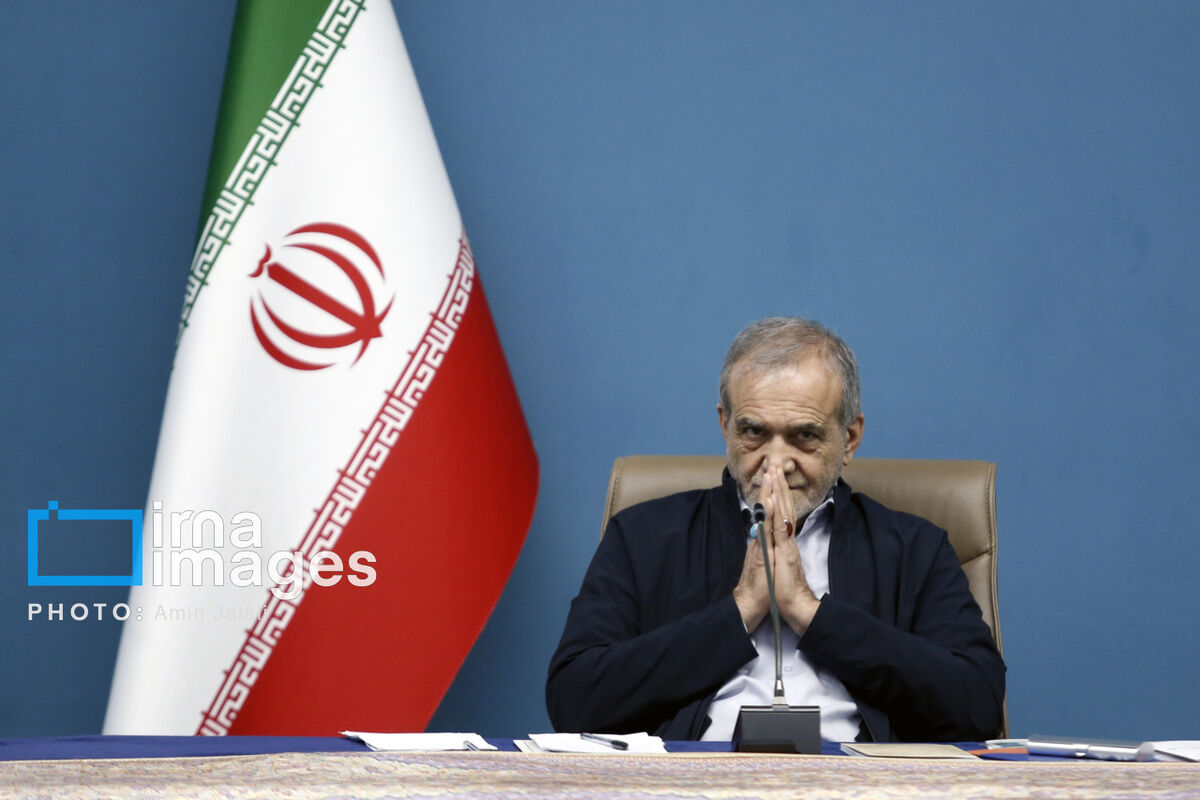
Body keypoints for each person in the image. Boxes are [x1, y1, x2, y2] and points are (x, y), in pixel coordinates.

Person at [545, 317, 1006, 742]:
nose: (776, 463)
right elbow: (574, 700)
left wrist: (808, 611)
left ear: (849, 439)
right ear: (725, 426)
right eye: (754, 432)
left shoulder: (915, 548)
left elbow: (978, 705)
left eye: (804, 436)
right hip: (697, 779)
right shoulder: (644, 536)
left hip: (854, 783)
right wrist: (742, 609)